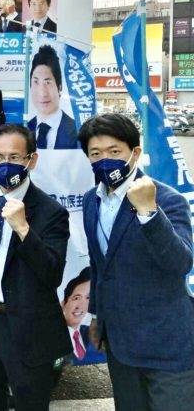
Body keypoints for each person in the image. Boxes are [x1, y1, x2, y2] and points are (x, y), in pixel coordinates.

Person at [78, 113, 194, 411]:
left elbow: (180, 263)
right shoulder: (91, 200)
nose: (105, 160)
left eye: (114, 151)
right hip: (121, 344)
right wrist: (96, 316)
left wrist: (149, 213)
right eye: (95, 153)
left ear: (135, 152)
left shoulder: (168, 200)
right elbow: (99, 264)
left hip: (167, 344)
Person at [0, 124, 71, 411]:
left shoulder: (51, 212)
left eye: (14, 157)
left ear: (31, 160)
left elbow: (52, 273)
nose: (6, 164)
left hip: (28, 324)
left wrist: (24, 229)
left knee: (30, 402)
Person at [26, 45, 78, 150]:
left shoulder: (76, 129)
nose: (42, 93)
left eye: (48, 82)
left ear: (60, 87)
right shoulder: (25, 129)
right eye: (36, 82)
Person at [61, 267, 90, 360]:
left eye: (87, 298)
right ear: (63, 304)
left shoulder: (90, 333)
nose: (80, 306)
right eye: (76, 298)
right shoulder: (52, 335)